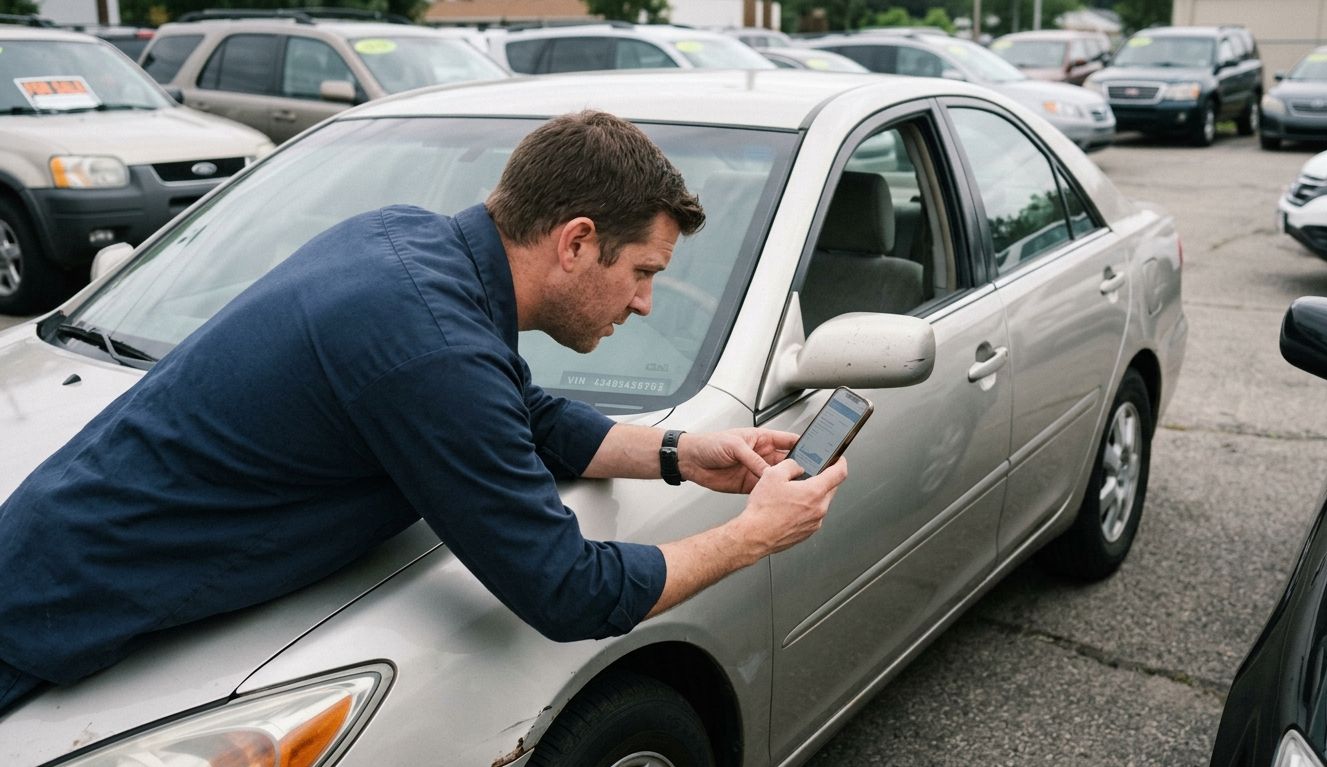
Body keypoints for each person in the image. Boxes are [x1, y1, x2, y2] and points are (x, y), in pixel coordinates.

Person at [0, 110, 848, 715]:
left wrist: (681, 453)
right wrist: (755, 534)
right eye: (643, 272)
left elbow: (526, 413)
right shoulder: (430, 348)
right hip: (46, 624)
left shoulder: (409, 242)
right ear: (577, 241)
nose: (647, 304)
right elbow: (568, 593)